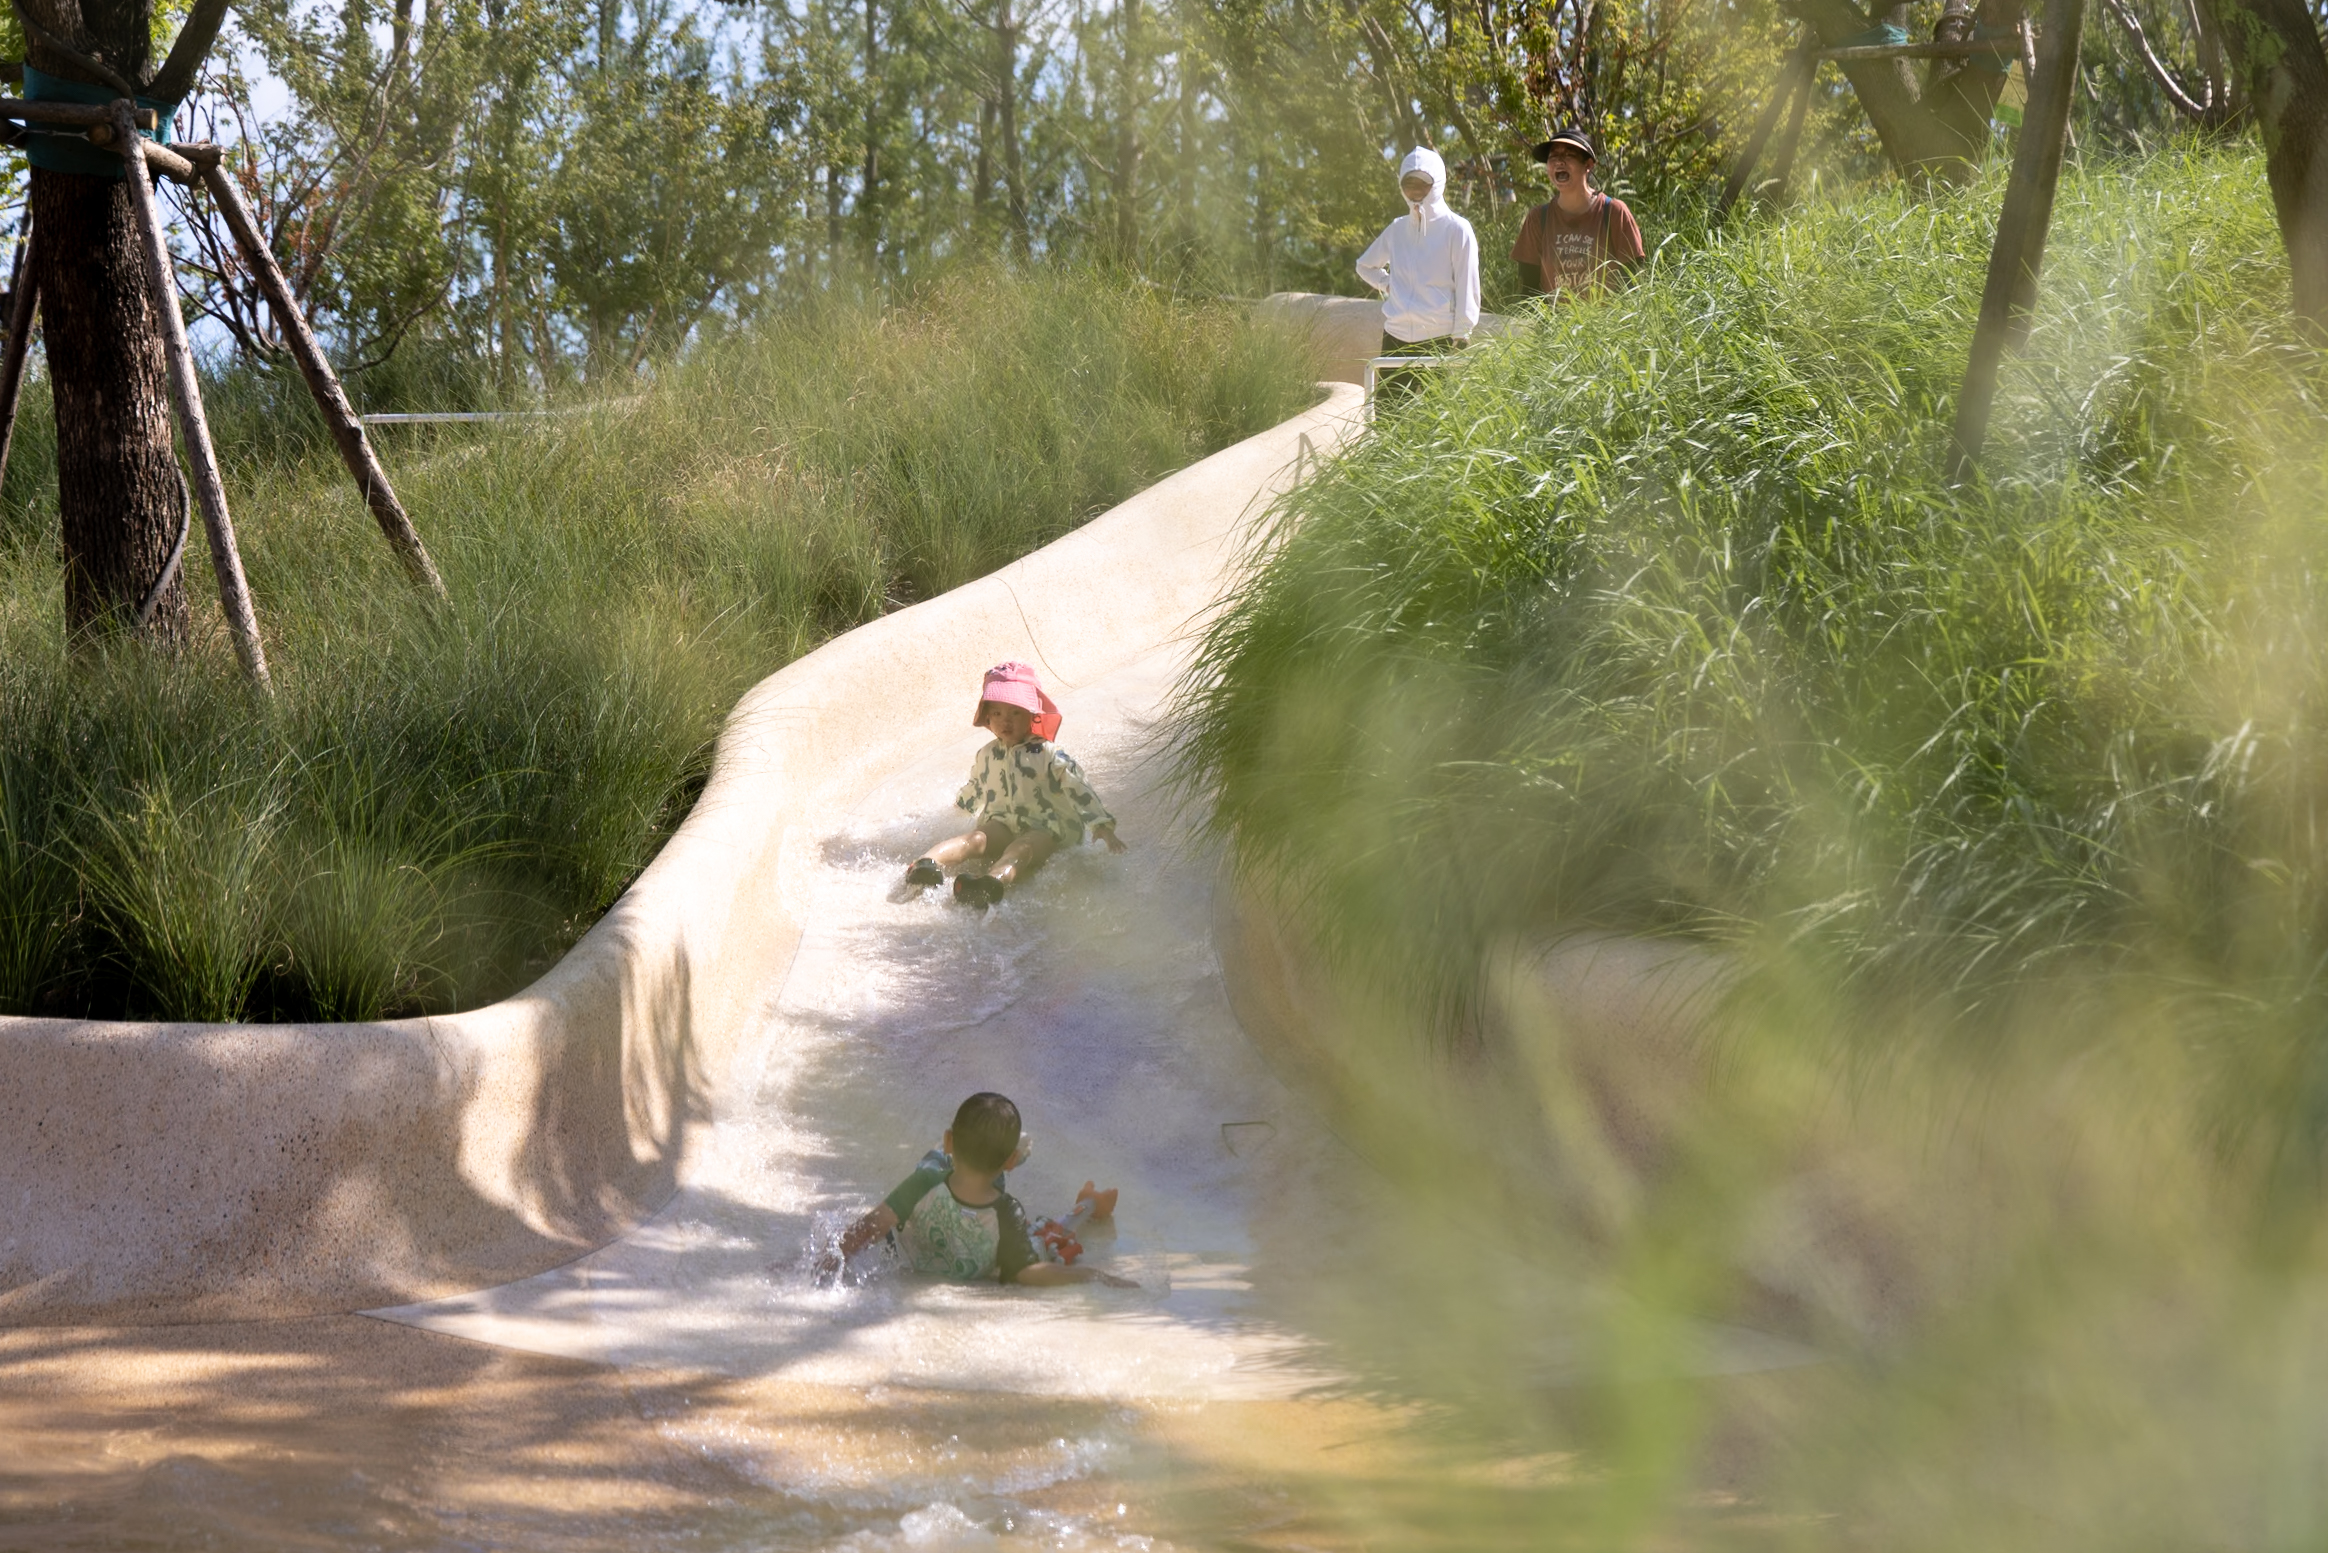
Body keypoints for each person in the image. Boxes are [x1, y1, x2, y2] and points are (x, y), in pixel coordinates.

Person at [822, 1092, 1133, 1287]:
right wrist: (1091, 1274)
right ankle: (1089, 1204)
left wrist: (828, 1262)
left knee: (932, 1164)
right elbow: (1027, 1271)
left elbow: (872, 1226)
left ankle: (980, 1147)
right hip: (985, 1251)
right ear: (1009, 1163)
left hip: (920, 1250)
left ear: (949, 1141)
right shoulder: (1006, 1210)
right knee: (1047, 1236)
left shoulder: (924, 1183)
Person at [904, 661, 1127, 907]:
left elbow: (1078, 786)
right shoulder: (987, 754)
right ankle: (925, 864)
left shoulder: (1048, 754)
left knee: (1023, 848)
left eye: (1015, 713)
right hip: (1003, 824)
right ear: (987, 718)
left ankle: (991, 883)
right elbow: (976, 786)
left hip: (1047, 829)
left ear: (1032, 715)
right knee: (975, 838)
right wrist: (959, 807)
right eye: (997, 714)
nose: (1005, 721)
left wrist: (1101, 825)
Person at [1355, 146, 1481, 401]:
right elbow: (1364, 265)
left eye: (1423, 183)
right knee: (1388, 414)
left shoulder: (1457, 229)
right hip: (1396, 336)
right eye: (1409, 183)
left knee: (1441, 417)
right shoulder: (1397, 229)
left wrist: (1462, 334)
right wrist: (1388, 284)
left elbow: (1467, 284)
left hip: (1439, 339)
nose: (1415, 190)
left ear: (1437, 183)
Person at [1511, 129, 1645, 300]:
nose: (1559, 161)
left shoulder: (1614, 212)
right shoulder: (1537, 218)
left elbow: (1633, 285)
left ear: (1588, 165)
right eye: (1553, 156)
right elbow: (1528, 290)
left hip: (1606, 317)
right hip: (1553, 317)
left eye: (1569, 155)